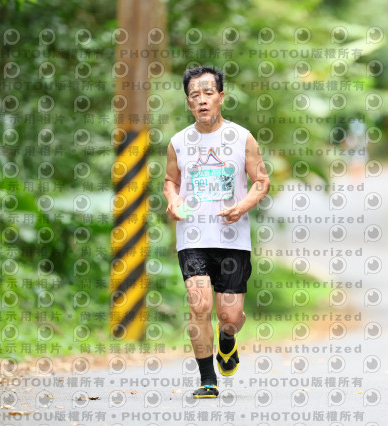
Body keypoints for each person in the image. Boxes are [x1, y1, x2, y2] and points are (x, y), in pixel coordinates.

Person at [163, 66, 270, 398]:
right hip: (193, 238)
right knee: (199, 307)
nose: (202, 100)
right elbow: (170, 182)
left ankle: (228, 337)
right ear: (188, 102)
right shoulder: (178, 142)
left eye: (208, 93)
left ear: (221, 97)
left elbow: (261, 181)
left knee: (230, 316)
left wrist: (242, 206)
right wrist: (173, 201)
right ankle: (208, 380)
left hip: (232, 239)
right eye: (195, 95)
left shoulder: (242, 138)